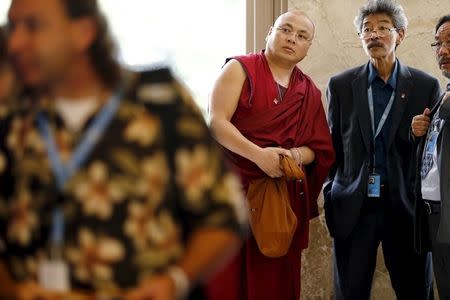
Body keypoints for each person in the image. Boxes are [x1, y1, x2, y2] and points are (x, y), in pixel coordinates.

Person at [0, 0, 247, 299]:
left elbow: (222, 214)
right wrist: (12, 290)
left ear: (83, 32)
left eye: (33, 26)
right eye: (13, 26)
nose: (15, 42)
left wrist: (175, 280)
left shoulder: (158, 105)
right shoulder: (12, 115)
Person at [206, 10, 335, 300]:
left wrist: (289, 156)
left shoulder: (309, 91)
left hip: (279, 200)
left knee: (275, 282)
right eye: (285, 30)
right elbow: (217, 122)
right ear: (269, 32)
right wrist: (258, 156)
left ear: (308, 46)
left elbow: (319, 150)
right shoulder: (240, 69)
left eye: (302, 36)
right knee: (227, 277)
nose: (292, 39)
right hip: (233, 193)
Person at [324, 0, 441, 299]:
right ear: (361, 38)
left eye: (382, 28)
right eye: (367, 29)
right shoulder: (341, 85)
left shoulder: (425, 85)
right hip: (354, 206)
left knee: (416, 290)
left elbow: (433, 153)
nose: (374, 35)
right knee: (349, 292)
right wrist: (331, 190)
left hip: (405, 207)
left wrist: (420, 136)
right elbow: (332, 145)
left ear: (400, 35)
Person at [411, 14, 450, 300]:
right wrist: (420, 133)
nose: (442, 50)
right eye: (437, 43)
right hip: (436, 214)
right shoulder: (443, 94)